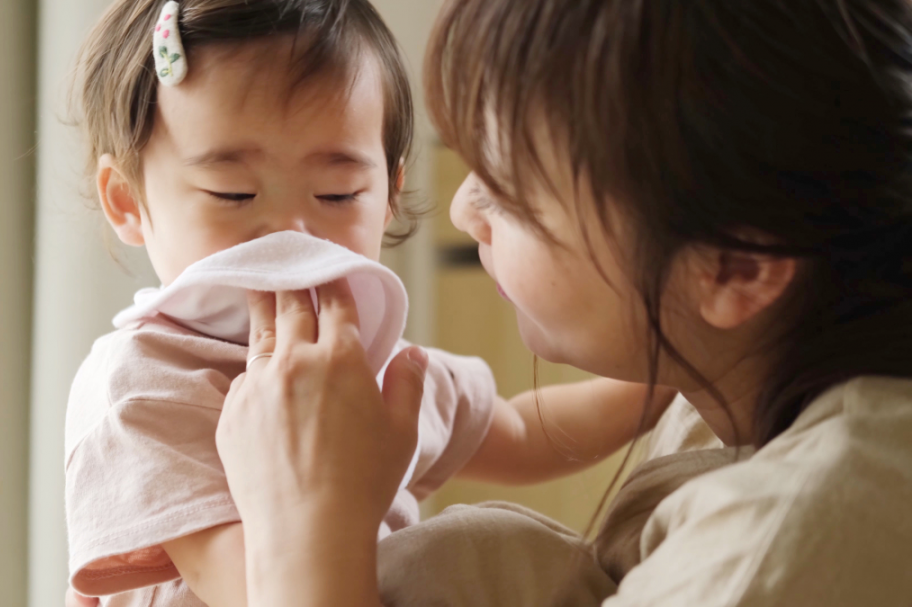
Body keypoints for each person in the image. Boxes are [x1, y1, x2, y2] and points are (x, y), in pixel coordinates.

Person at [206, 0, 912, 605]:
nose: (460, 209)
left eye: (508, 187)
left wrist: (301, 541)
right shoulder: (736, 371)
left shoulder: (791, 543)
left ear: (735, 267)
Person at [62, 1, 676, 606]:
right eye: (233, 193)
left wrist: (668, 378)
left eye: (337, 194)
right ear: (126, 202)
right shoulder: (146, 388)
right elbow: (254, 590)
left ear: (388, 195)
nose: (291, 234)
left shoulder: (375, 363)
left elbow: (518, 430)